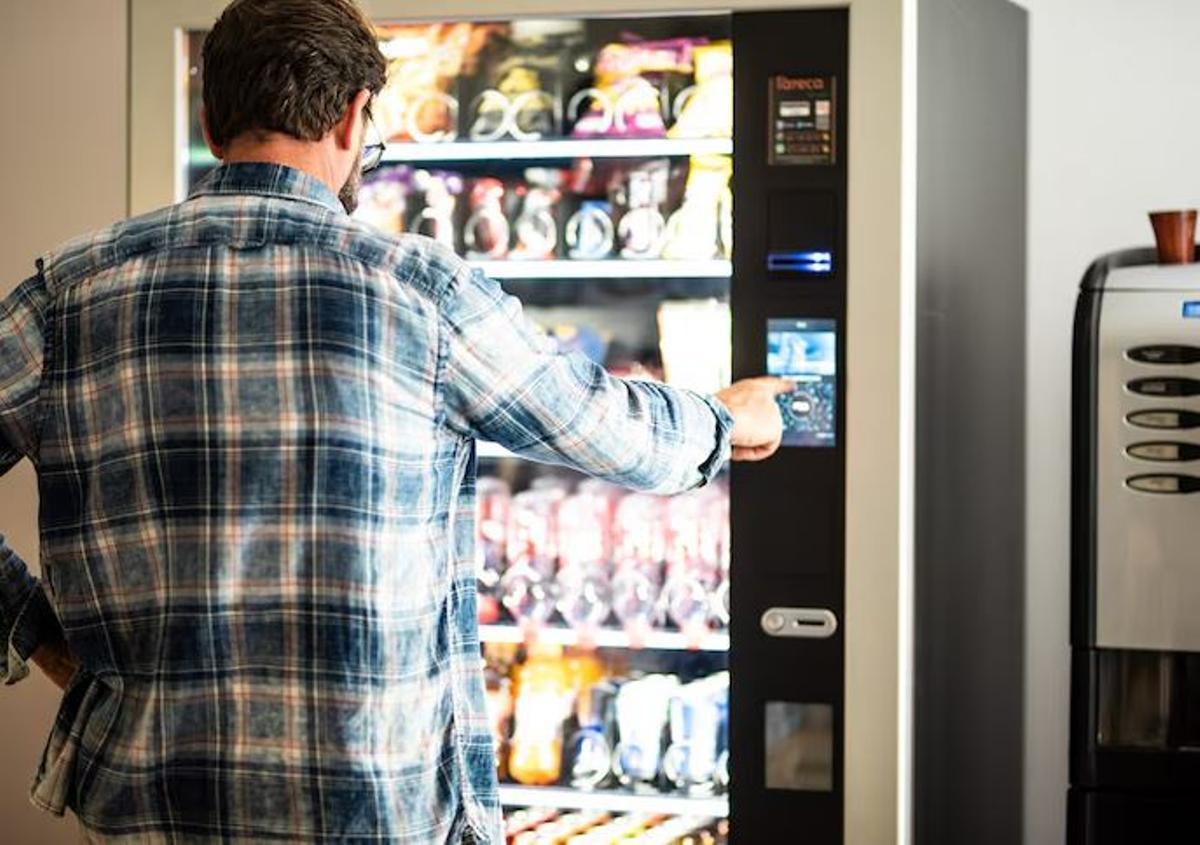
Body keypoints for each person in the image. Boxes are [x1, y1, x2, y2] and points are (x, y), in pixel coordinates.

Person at [0, 0, 788, 841]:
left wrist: (38, 635)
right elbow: (604, 425)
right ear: (352, 116)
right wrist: (722, 418)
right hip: (373, 802)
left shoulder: (68, 294)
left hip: (148, 806)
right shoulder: (421, 291)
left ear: (208, 118)